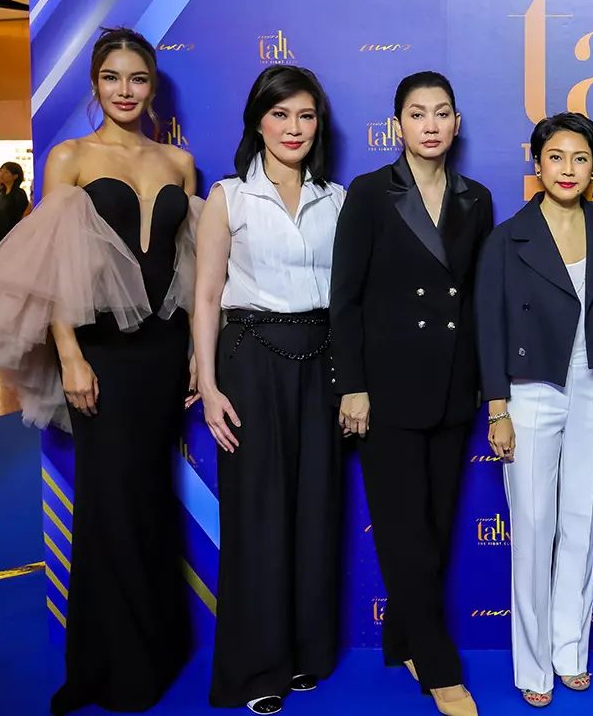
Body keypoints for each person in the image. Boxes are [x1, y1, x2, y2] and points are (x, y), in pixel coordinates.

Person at [0, 27, 200, 715]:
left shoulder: (180, 163)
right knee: (107, 500)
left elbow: (188, 269)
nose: (125, 90)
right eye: (112, 78)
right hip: (102, 355)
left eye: (138, 78)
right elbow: (54, 269)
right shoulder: (70, 157)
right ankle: (106, 665)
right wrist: (69, 355)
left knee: (150, 497)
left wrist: (193, 352)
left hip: (163, 355)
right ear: (95, 84)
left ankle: (159, 647)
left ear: (153, 86)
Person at [330, 71, 493, 716]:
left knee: (437, 526)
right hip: (387, 388)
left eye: (442, 112)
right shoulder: (371, 193)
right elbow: (345, 300)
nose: (431, 124)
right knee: (405, 532)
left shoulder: (476, 198)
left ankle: (401, 638)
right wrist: (353, 386)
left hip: (453, 385)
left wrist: (487, 387)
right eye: (418, 113)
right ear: (397, 124)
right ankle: (440, 668)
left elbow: (478, 299)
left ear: (457, 123)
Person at [194, 65, 345, 715]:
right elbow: (205, 296)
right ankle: (257, 669)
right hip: (249, 358)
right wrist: (207, 383)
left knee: (316, 509)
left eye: (306, 115)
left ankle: (305, 654)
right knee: (257, 514)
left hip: (322, 358)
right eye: (280, 114)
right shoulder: (228, 196)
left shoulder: (337, 199)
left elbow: (351, 297)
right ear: (258, 121)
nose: (293, 127)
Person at [476, 112, 593, 707]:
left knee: (580, 525)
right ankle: (533, 666)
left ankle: (571, 652)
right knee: (533, 527)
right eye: (556, 157)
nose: (568, 169)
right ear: (538, 164)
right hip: (530, 388)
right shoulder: (507, 237)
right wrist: (497, 408)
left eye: (580, 158)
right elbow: (488, 324)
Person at [0, 162, 31, 249]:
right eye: (1, 171)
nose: (1, 174)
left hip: (13, 234)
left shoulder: (19, 194)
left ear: (15, 176)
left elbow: (22, 214)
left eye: (6, 172)